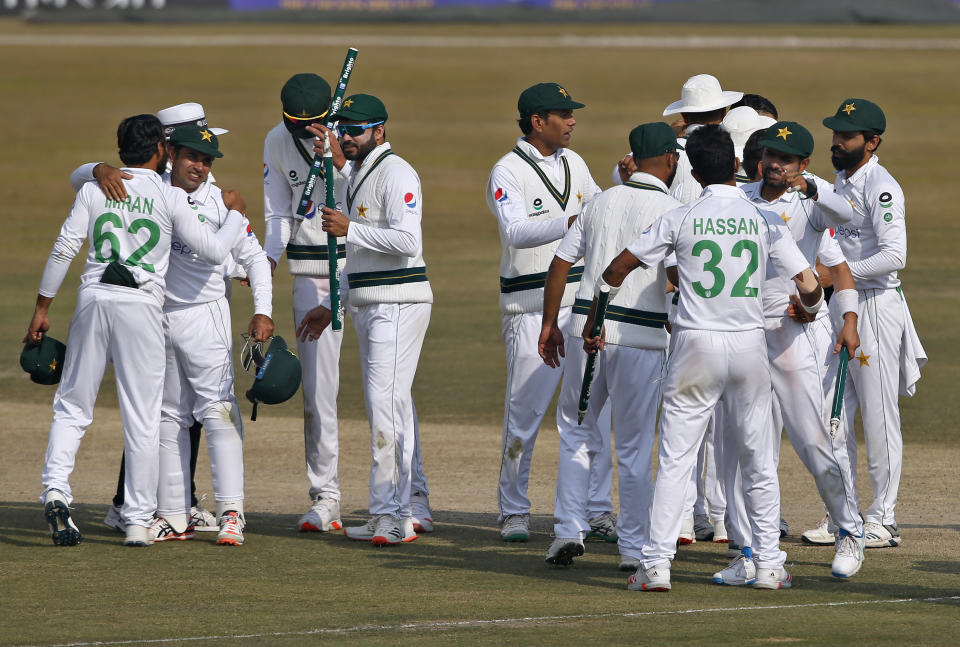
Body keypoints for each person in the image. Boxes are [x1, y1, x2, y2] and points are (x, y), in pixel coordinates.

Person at [602, 124, 826, 591]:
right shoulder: (764, 218)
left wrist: (601, 302)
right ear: (740, 166)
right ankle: (768, 565)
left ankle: (657, 566)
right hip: (748, 345)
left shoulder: (680, 216)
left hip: (694, 345)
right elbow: (807, 284)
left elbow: (617, 268)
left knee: (677, 459)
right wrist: (812, 310)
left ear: (693, 170)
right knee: (758, 459)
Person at [28, 114, 246, 547]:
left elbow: (64, 247)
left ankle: (56, 489)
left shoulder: (96, 186)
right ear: (163, 151)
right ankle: (137, 521)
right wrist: (236, 214)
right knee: (144, 417)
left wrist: (42, 308)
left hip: (93, 297)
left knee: (72, 406)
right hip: (142, 305)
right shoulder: (170, 197)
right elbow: (215, 250)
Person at [715, 121, 866, 583]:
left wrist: (814, 187)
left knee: (813, 440)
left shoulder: (811, 204)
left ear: (803, 164)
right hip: (741, 335)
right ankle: (749, 552)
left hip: (789, 335)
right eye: (770, 156)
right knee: (740, 450)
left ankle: (850, 529)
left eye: (786, 159)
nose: (775, 165)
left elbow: (852, 218)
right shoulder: (739, 198)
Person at [539, 122, 683, 569]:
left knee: (576, 431)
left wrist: (550, 324)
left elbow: (561, 264)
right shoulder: (675, 209)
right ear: (671, 160)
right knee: (636, 446)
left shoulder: (598, 202)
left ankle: (567, 529)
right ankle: (633, 549)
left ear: (634, 159)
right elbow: (677, 279)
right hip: (641, 339)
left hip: (587, 329)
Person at [81, 103, 229, 535]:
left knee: (183, 415)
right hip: (153, 310)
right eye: (192, 145)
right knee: (153, 413)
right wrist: (97, 168)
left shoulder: (189, 177)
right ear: (168, 146)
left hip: (186, 307)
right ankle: (128, 503)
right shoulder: (149, 181)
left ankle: (178, 498)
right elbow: (79, 176)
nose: (201, 157)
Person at [296, 93, 433, 546]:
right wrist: (334, 303)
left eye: (356, 130)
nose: (347, 138)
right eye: (344, 129)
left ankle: (394, 516)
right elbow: (356, 260)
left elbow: (407, 241)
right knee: (387, 406)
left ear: (380, 130)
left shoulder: (397, 172)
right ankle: (388, 513)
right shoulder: (357, 174)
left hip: (398, 302)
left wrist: (349, 228)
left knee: (386, 408)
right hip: (371, 302)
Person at [486, 82, 615, 543]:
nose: (573, 121)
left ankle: (597, 509)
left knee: (592, 412)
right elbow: (517, 231)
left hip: (578, 305)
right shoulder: (506, 170)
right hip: (528, 306)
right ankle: (514, 510)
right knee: (523, 411)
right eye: (564, 114)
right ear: (538, 122)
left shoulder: (575, 163)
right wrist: (574, 221)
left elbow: (600, 206)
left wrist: (623, 186)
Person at [803, 99, 926, 549]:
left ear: (872, 142)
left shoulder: (883, 186)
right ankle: (844, 515)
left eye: (847, 136)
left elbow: (897, 256)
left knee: (878, 415)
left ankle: (885, 518)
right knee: (833, 413)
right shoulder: (840, 179)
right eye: (835, 134)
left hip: (875, 307)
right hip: (843, 304)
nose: (837, 142)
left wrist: (838, 274)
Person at [263, 73, 353, 533]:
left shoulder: (353, 127)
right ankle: (326, 497)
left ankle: (412, 495)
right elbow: (278, 211)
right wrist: (267, 262)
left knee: (392, 390)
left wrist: (339, 160)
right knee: (318, 390)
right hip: (311, 273)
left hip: (368, 265)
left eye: (312, 125)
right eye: (296, 126)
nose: (305, 133)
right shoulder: (277, 141)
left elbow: (372, 197)